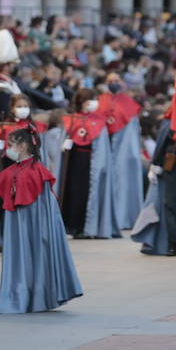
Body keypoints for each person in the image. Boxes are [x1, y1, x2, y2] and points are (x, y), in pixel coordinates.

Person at [0, 126, 82, 314]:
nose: (9, 149)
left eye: (11, 145)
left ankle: (30, 297)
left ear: (22, 146)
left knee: (34, 257)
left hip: (36, 225)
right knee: (27, 258)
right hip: (22, 224)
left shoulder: (35, 171)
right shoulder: (18, 171)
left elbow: (46, 206)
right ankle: (28, 297)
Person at [133, 30, 176, 257]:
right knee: (172, 206)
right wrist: (155, 164)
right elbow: (163, 142)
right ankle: (174, 242)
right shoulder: (167, 120)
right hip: (173, 169)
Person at [58, 88, 118, 238]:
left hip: (91, 163)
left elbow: (102, 146)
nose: (94, 103)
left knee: (87, 194)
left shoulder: (99, 121)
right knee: (72, 193)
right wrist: (65, 144)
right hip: (74, 162)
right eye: (91, 99)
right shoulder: (71, 119)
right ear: (83, 102)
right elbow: (62, 139)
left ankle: (87, 227)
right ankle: (71, 226)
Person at [0, 93, 35, 252]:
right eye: (19, 106)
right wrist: (0, 147)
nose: (23, 109)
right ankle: (3, 239)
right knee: (5, 203)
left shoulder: (32, 127)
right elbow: (1, 151)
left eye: (25, 106)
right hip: (9, 170)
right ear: (12, 108)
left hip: (26, 172)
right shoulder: (4, 127)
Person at [97, 72, 144, 230]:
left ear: (122, 82)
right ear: (105, 82)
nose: (114, 83)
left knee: (122, 182)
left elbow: (132, 130)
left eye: (116, 80)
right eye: (110, 81)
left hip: (123, 150)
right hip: (104, 147)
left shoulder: (128, 102)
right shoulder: (99, 102)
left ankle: (124, 218)